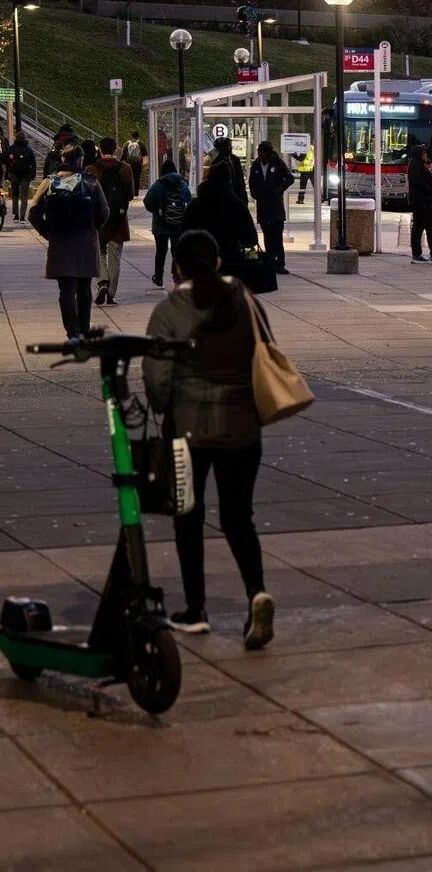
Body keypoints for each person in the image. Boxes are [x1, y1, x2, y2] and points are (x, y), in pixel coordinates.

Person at [142, 229, 275, 649]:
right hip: (242, 429)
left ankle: (196, 608)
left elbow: (157, 382)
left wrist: (163, 405)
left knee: (187, 517)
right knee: (239, 517)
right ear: (218, 261)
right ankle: (256, 592)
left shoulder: (168, 311)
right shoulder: (246, 301)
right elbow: (266, 350)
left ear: (177, 266)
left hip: (188, 431)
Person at [27, 144, 109, 340]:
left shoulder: (50, 182)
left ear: (62, 160)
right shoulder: (91, 183)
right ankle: (84, 329)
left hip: (60, 241)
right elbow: (104, 211)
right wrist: (92, 228)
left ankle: (72, 332)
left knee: (66, 289)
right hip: (85, 241)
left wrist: (48, 232)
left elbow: (33, 213)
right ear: (80, 161)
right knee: (84, 288)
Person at [180, 158, 258, 272]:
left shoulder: (197, 204)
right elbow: (251, 238)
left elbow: (183, 231)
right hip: (231, 260)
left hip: (202, 259)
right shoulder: (237, 206)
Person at [86, 137, 135, 307]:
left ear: (100, 149)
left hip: (98, 220)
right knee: (115, 257)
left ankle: (102, 282)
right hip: (119, 220)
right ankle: (111, 294)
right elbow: (130, 194)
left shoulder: (92, 169)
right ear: (116, 150)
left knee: (99, 253)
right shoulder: (126, 168)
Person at [248, 140, 295, 274]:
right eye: (259, 152)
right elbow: (252, 182)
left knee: (277, 236)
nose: (260, 155)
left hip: (275, 206)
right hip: (263, 205)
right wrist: (255, 194)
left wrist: (279, 189)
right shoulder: (256, 165)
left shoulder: (278, 163)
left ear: (267, 153)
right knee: (267, 236)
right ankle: (270, 263)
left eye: (262, 152)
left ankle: (280, 263)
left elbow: (289, 178)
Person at [144, 158, 191, 287]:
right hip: (178, 224)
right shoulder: (182, 184)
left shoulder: (159, 185)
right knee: (176, 251)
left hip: (160, 225)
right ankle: (177, 275)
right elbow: (189, 200)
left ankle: (158, 277)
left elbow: (147, 202)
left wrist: (157, 210)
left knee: (161, 251)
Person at [407, 144, 432, 264]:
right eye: (424, 154)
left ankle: (421, 254)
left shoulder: (417, 165)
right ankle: (431, 254)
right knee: (428, 227)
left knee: (420, 227)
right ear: (419, 155)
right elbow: (419, 182)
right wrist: (431, 191)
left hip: (422, 202)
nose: (426, 156)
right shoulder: (416, 166)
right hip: (422, 203)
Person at [203, 137, 248, 204]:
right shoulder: (216, 163)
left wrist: (243, 196)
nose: (231, 148)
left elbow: (240, 179)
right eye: (228, 146)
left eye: (230, 145)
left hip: (238, 195)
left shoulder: (235, 159)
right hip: (224, 199)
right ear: (222, 148)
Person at [5, 132, 36, 222]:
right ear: (24, 139)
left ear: (16, 138)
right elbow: (33, 163)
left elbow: (7, 161)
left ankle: (16, 215)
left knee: (15, 195)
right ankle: (22, 216)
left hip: (14, 174)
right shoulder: (28, 150)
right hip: (26, 175)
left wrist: (8, 173)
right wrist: (33, 174)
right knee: (24, 196)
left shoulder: (11, 149)